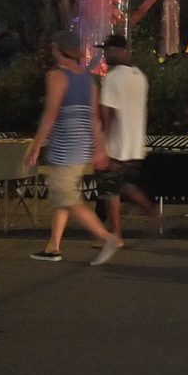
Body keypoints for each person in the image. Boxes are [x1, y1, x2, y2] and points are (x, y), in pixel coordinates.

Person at [26, 31, 119, 263]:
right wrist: (99, 148)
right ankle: (53, 246)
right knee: (62, 195)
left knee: (67, 196)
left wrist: (36, 146)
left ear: (59, 50)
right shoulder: (88, 79)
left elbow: (51, 113)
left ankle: (107, 237)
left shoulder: (57, 76)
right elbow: (94, 119)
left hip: (65, 146)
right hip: (82, 146)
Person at [95, 35, 159, 247]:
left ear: (120, 50)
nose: (105, 55)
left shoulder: (112, 78)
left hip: (116, 145)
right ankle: (152, 211)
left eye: (108, 50)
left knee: (110, 190)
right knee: (127, 186)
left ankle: (116, 235)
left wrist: (102, 142)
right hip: (134, 144)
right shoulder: (139, 76)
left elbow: (109, 113)